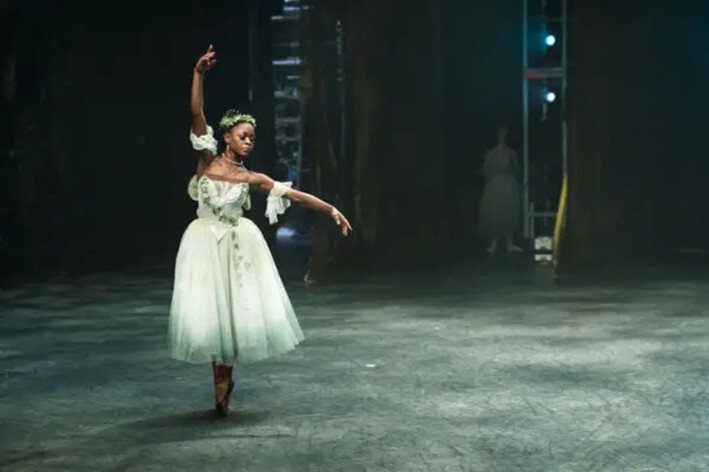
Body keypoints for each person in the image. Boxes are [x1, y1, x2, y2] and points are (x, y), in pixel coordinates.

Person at [168, 45, 352, 417]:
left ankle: (226, 375)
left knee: (233, 314)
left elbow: (295, 196)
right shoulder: (206, 159)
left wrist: (330, 209)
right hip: (204, 244)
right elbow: (196, 112)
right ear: (227, 138)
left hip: (236, 247)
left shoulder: (253, 177)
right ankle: (218, 377)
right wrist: (198, 74)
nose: (249, 141)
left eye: (252, 137)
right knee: (210, 312)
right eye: (243, 135)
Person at [478, 125, 523, 254]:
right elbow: (485, 170)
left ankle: (510, 242)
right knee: (494, 212)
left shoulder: (511, 153)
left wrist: (510, 168)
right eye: (500, 133)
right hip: (495, 184)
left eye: (505, 133)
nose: (502, 135)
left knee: (509, 211)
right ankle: (494, 242)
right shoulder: (491, 153)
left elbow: (517, 169)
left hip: (508, 184)